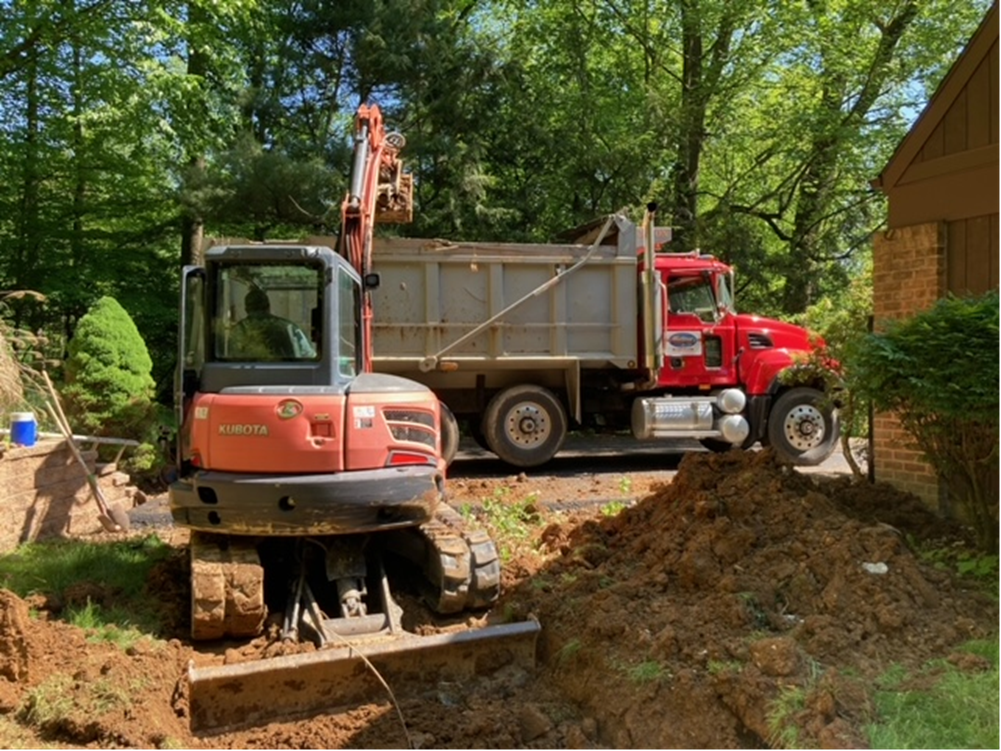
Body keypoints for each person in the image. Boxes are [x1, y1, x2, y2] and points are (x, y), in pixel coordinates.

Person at [229, 287, 316, 360]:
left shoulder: (238, 331)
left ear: (246, 310)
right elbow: (308, 356)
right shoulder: (288, 327)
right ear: (268, 307)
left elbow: (232, 359)